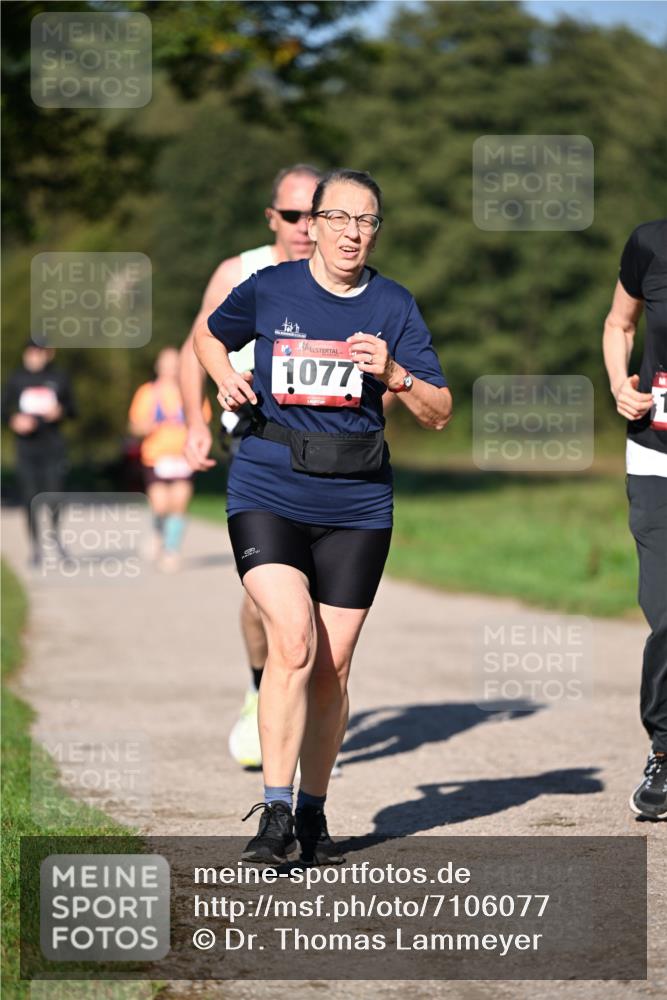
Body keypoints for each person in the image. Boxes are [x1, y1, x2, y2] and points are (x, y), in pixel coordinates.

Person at [194, 168, 452, 863]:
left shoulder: (394, 304)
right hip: (268, 486)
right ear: (312, 225)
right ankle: (274, 812)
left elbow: (438, 411)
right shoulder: (271, 288)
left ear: (376, 232)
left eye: (366, 221)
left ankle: (312, 809)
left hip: (357, 501)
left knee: (332, 667)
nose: (351, 233)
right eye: (338, 218)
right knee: (293, 640)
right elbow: (208, 337)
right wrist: (223, 376)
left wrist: (394, 374)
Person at [180, 164, 322, 768]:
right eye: (292, 215)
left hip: (329, 447)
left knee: (316, 589)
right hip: (254, 436)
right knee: (266, 587)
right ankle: (260, 690)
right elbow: (197, 345)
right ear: (272, 218)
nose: (305, 227)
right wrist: (194, 422)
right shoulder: (239, 272)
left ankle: (302, 699)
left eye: (316, 215)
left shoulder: (344, 278)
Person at [602, 218, 667, 820]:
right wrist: (620, 384)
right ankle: (665, 751)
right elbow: (619, 324)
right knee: (666, 609)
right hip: (656, 454)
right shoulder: (651, 243)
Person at [128, 346, 211, 573]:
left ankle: (171, 550)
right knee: (160, 504)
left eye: (175, 365)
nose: (170, 370)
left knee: (179, 503)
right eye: (166, 365)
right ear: (158, 367)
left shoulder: (191, 392)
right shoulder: (147, 393)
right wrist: (145, 427)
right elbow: (134, 426)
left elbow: (203, 421)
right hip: (156, 457)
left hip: (184, 456)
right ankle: (157, 532)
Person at [2, 340, 76, 567]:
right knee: (30, 498)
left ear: (49, 354)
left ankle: (55, 539)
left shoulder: (59, 378)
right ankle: (35, 547)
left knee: (55, 496)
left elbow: (74, 410)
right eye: (32, 351)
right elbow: (3, 410)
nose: (35, 356)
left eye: (40, 352)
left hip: (53, 448)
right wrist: (14, 420)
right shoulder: (16, 379)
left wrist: (61, 411)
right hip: (26, 450)